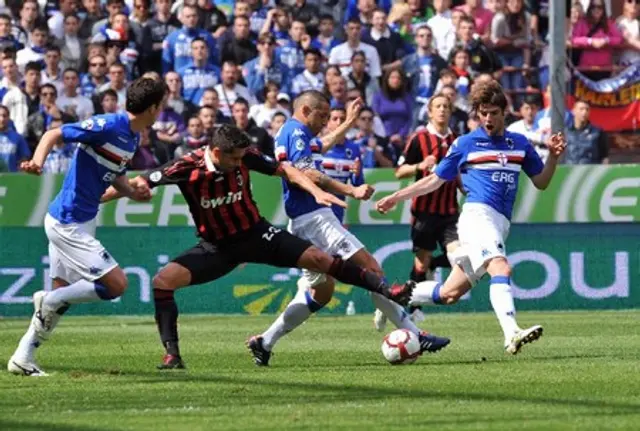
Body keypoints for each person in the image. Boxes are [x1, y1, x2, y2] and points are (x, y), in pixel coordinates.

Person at [112, 124, 409, 369]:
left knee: (319, 258)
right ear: (216, 152)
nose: (241, 162)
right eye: (234, 158)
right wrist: (94, 198)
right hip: (217, 248)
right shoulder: (184, 167)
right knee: (163, 281)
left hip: (258, 235)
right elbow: (137, 184)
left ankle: (386, 290)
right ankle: (173, 355)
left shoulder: (246, 155)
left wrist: (317, 192)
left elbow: (288, 170)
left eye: (243, 157)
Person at [249, 90, 450, 366]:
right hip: (315, 219)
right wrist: (350, 189)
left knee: (321, 292)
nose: (324, 123)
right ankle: (417, 334)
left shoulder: (295, 133)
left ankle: (265, 342)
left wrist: (349, 122)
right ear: (306, 110)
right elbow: (307, 173)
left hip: (302, 221)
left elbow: (323, 144)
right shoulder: (296, 132)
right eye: (321, 116)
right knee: (372, 269)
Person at [376, 81, 567, 355]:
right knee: (501, 268)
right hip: (477, 217)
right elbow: (433, 181)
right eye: (483, 113)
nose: (488, 119)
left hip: (500, 223)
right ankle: (511, 332)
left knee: (449, 293)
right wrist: (396, 196)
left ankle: (388, 296)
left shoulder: (520, 143)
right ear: (477, 114)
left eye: (493, 113)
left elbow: (542, 182)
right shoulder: (465, 143)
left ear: (505, 113)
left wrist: (553, 159)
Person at [7, 77, 168, 376]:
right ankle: (48, 299)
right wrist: (38, 162)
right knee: (116, 285)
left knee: (61, 296)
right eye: (162, 105)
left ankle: (23, 356)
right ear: (154, 107)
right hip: (67, 222)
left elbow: (112, 178)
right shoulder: (108, 126)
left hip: (82, 220)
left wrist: (133, 192)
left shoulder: (132, 139)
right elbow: (54, 134)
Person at [374, 92, 461, 331]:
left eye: (446, 106)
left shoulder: (457, 140)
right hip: (424, 212)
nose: (442, 110)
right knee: (421, 266)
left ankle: (404, 301)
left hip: (451, 212)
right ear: (430, 112)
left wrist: (468, 190)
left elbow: (459, 172)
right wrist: (419, 165)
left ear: (450, 111)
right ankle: (404, 305)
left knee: (462, 257)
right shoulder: (419, 138)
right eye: (438, 106)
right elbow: (399, 171)